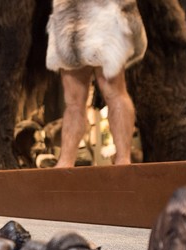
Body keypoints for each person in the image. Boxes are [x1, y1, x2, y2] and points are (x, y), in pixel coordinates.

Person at [45, 0, 147, 168]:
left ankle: (123, 160)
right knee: (73, 100)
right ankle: (65, 162)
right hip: (67, 16)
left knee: (113, 91)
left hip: (104, 9)